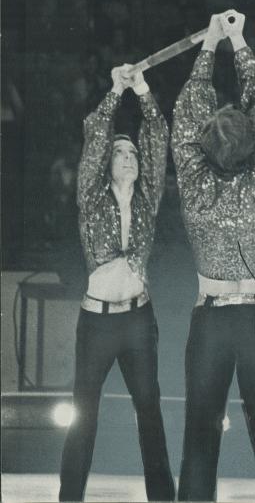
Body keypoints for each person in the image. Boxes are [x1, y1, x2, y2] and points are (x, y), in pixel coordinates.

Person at [171, 9, 255, 502]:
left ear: (204, 149)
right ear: (253, 147)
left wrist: (208, 45)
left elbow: (186, 115)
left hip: (210, 323)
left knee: (200, 442)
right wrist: (238, 42)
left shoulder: (193, 182)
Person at [59, 63, 175, 502]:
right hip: (97, 324)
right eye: (120, 153)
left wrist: (142, 88)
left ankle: (162, 498)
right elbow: (95, 134)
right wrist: (114, 89)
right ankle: (69, 498)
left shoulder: (146, 199)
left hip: (138, 321)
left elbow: (157, 136)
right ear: (106, 163)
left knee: (150, 412)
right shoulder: (91, 194)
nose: (129, 157)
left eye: (133, 155)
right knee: (82, 416)